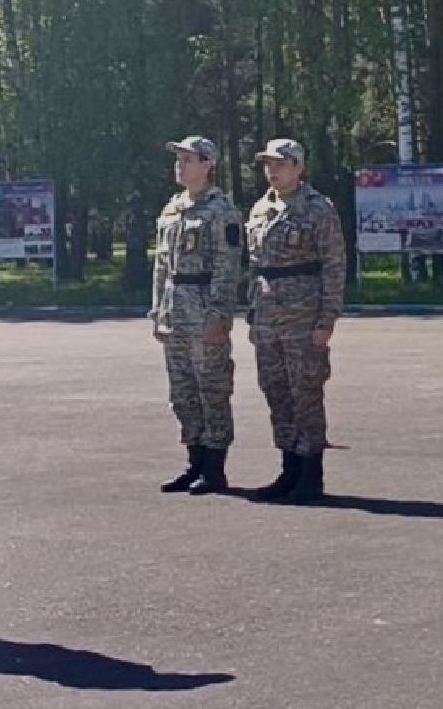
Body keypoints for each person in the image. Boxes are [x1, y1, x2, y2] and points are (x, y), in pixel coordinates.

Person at [245, 139, 347, 506]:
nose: (272, 171)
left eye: (280, 164)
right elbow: (256, 268)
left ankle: (310, 474)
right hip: (268, 316)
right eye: (267, 165)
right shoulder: (261, 208)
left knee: (306, 394)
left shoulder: (318, 209)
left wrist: (326, 320)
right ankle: (288, 468)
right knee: (276, 393)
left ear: (298, 167)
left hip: (304, 317)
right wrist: (253, 314)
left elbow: (334, 266)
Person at [149, 136, 243, 495]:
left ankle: (215, 468)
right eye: (179, 159)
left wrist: (220, 315)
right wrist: (157, 310)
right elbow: (161, 265)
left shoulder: (221, 211)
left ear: (208, 165)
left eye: (188, 159)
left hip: (204, 310)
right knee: (182, 392)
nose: (180, 165)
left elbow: (227, 265)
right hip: (175, 312)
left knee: (212, 390)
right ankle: (194, 461)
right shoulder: (172, 209)